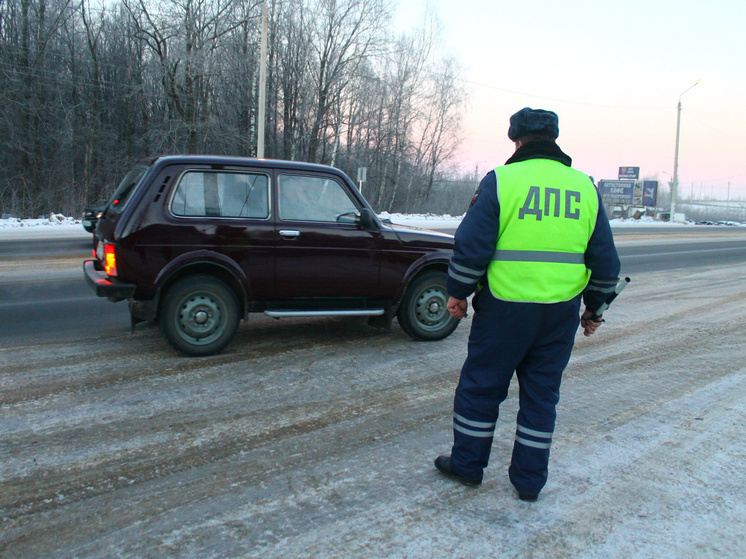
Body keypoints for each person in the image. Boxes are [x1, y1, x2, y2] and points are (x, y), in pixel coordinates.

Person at [434, 107, 621, 501]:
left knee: (481, 388)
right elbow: (605, 262)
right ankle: (530, 483)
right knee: (541, 397)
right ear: (553, 139)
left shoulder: (502, 180)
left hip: (504, 309)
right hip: (559, 313)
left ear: (516, 140)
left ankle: (467, 466)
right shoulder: (584, 187)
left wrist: (457, 293)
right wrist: (595, 309)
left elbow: (472, 246)